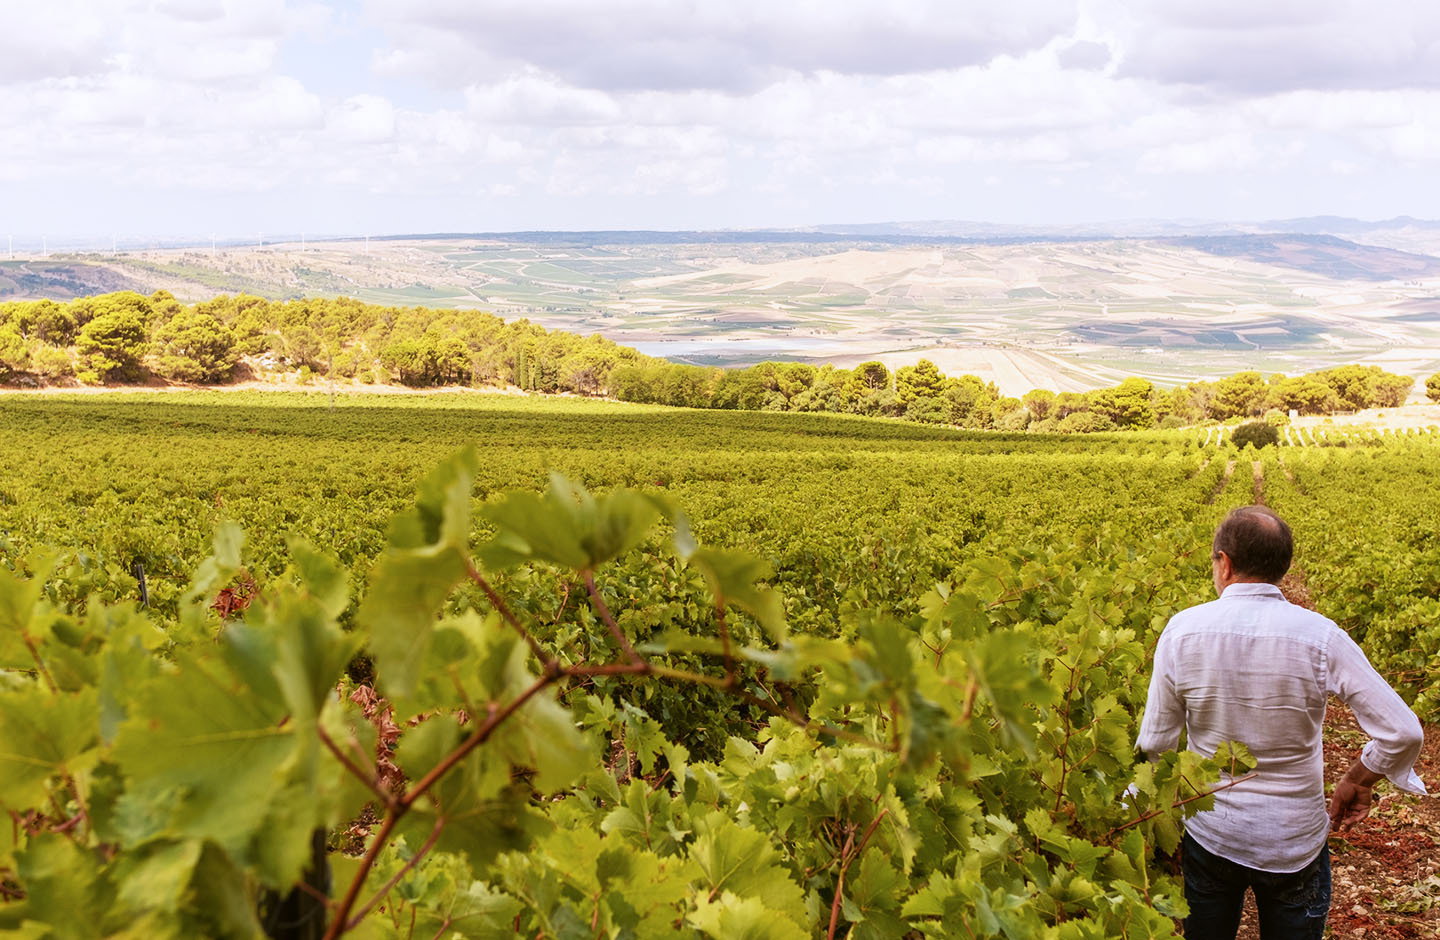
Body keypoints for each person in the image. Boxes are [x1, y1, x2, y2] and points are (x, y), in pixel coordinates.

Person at [1136, 505, 1426, 939]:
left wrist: (1141, 820)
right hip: (1295, 841)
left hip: (1211, 833)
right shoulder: (1322, 636)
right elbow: (1403, 731)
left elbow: (1156, 745)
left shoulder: (1182, 631)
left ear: (1224, 562)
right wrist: (1358, 778)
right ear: (1284, 568)